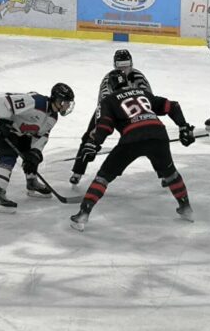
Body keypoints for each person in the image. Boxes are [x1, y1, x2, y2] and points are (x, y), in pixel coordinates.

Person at [69, 70, 196, 232]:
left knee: (103, 177)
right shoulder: (143, 93)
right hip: (158, 134)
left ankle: (83, 214)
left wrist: (94, 143)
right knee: (170, 173)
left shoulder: (108, 100)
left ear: (109, 87)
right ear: (127, 82)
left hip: (132, 138)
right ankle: (186, 208)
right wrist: (183, 127)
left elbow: (105, 125)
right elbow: (172, 106)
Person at [0, 83, 75, 213]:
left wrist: (35, 152)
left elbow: (41, 136)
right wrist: (3, 122)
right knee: (8, 156)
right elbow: (4, 101)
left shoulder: (53, 117)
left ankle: (31, 182)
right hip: (1, 125)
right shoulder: (36, 102)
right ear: (58, 100)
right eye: (66, 102)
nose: (68, 106)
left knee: (32, 156)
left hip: (21, 130)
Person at [70, 49, 151, 185]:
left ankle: (164, 172)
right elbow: (102, 106)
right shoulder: (109, 79)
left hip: (132, 112)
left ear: (131, 64)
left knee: (153, 137)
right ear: (115, 66)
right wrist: (97, 130)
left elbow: (148, 99)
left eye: (126, 66)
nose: (124, 70)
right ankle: (78, 171)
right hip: (110, 111)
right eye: (120, 66)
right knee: (89, 137)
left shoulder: (139, 77)